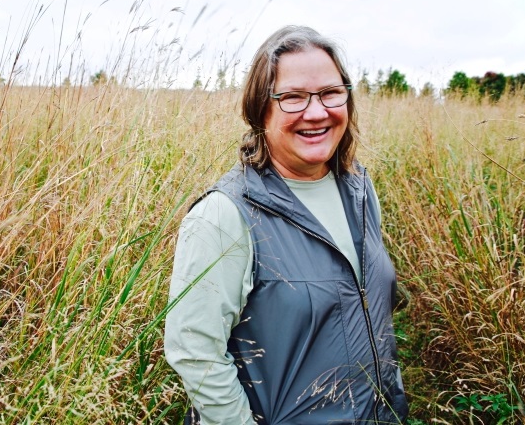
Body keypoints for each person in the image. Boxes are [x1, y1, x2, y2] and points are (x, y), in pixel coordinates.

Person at [164, 25, 409, 424]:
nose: (317, 112)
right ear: (261, 109)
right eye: (292, 98)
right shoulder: (225, 215)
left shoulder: (360, 190)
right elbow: (194, 351)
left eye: (331, 93)